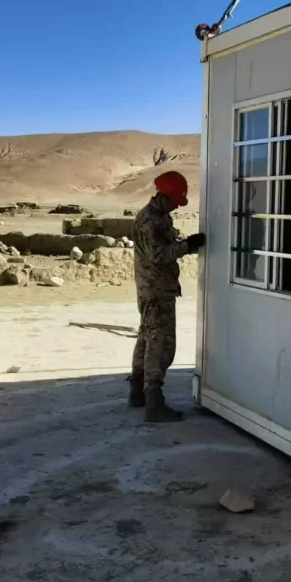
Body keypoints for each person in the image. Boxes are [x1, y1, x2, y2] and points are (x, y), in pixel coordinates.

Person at [129, 170, 205, 423]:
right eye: (175, 202)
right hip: (156, 291)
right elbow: (159, 255)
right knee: (159, 343)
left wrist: (185, 246)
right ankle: (154, 401)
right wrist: (188, 246)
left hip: (153, 288)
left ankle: (137, 392)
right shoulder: (150, 220)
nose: (176, 207)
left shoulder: (158, 217)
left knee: (146, 338)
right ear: (164, 197)